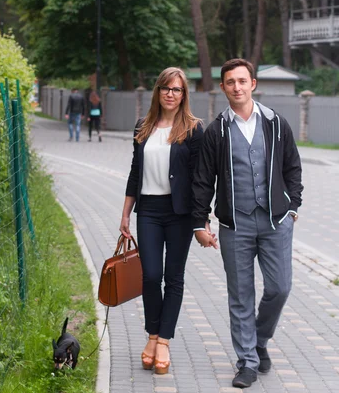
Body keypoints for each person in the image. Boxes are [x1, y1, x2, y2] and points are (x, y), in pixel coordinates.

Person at [192, 58, 303, 389]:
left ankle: (259, 339)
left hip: (275, 222)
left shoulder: (275, 123)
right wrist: (200, 222)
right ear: (223, 87)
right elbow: (202, 181)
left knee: (279, 287)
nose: (237, 87)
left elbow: (292, 167)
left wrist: (293, 207)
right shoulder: (216, 131)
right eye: (230, 82)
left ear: (253, 84)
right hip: (235, 226)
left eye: (242, 81)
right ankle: (247, 362)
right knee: (240, 295)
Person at [120, 67, 203, 375]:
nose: (171, 93)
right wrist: (125, 213)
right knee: (151, 276)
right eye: (166, 88)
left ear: (184, 95)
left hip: (179, 213)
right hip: (150, 211)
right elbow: (134, 172)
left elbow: (200, 180)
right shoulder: (143, 126)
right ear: (157, 91)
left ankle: (163, 341)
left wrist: (200, 221)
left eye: (177, 89)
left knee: (174, 277)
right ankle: (152, 335)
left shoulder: (194, 129)